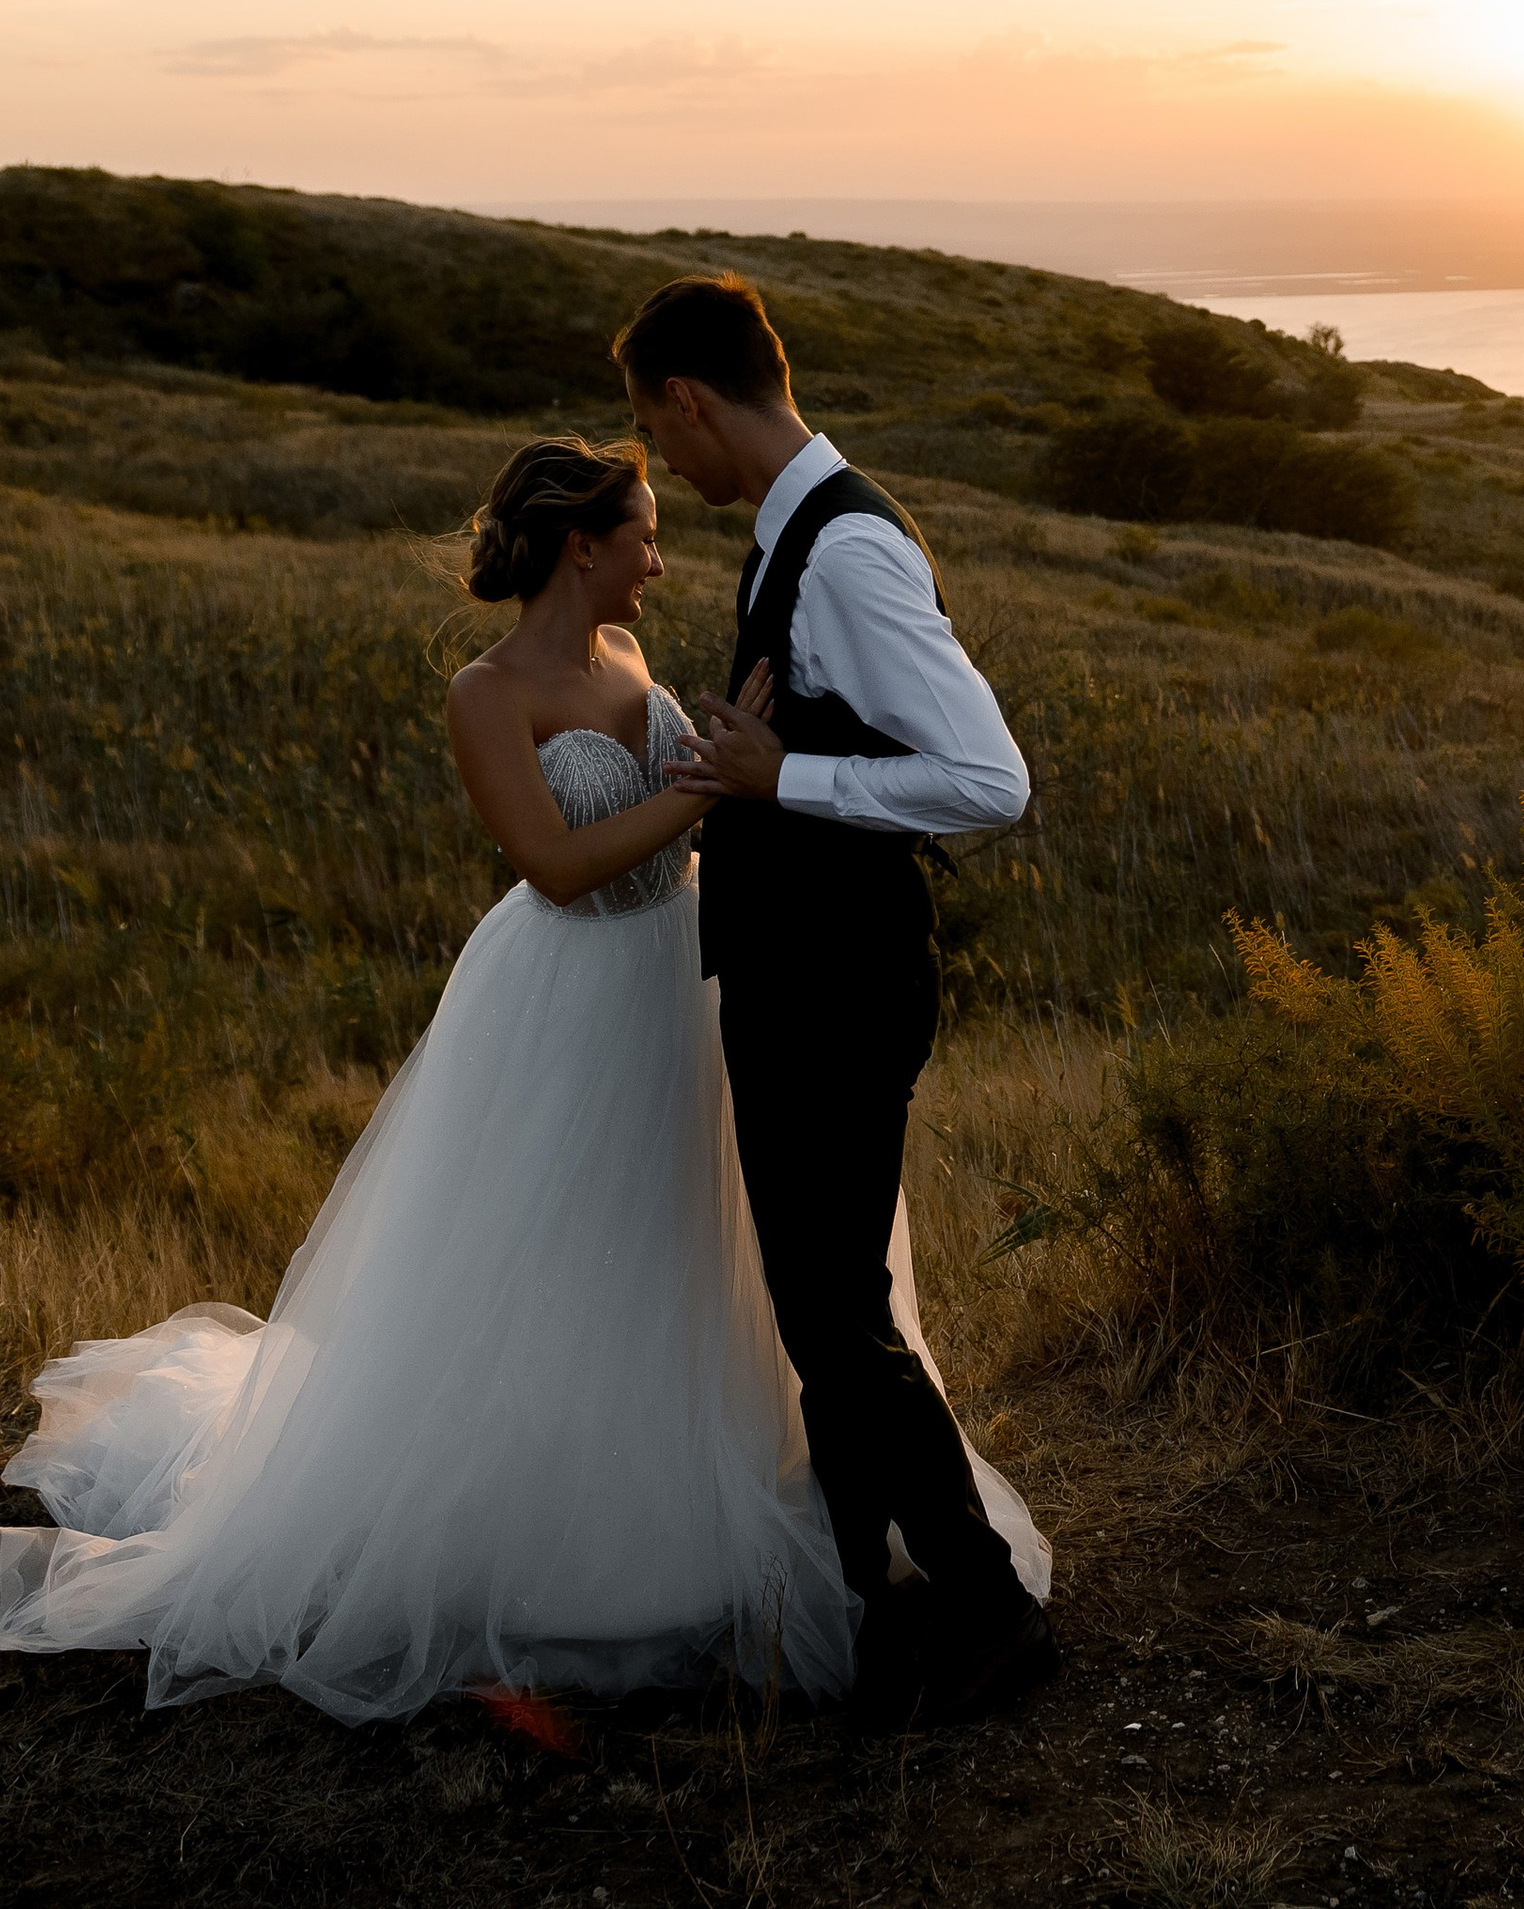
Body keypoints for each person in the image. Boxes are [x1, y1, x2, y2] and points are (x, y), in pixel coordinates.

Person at [0, 434, 1046, 1725]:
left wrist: (735, 774)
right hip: (572, 992)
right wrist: (724, 785)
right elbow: (557, 862)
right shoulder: (484, 691)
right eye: (642, 539)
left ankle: (737, 1491)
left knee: (691, 1255)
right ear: (579, 547)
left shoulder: (627, 656)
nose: (661, 562)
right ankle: (575, 1541)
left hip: (685, 976)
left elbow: (672, 808)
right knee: (564, 1261)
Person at [614, 271, 1055, 1724]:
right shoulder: (787, 530)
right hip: (801, 974)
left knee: (837, 1312)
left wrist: (776, 777)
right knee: (820, 1309)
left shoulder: (846, 549)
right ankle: (878, 1603)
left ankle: (981, 1607)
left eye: (652, 426)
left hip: (841, 982)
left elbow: (990, 782)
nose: (658, 462)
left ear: (690, 397)